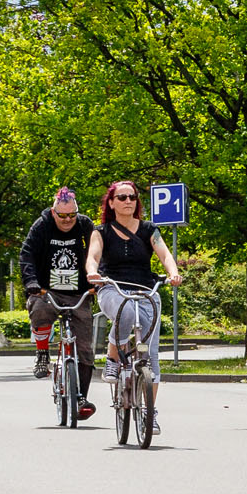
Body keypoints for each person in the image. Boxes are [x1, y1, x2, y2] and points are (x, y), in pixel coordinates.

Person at [85, 181, 183, 433]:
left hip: (145, 290)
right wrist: (93, 273)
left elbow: (164, 254)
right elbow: (93, 256)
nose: (128, 201)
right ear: (111, 202)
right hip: (112, 288)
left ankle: (150, 413)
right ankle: (113, 354)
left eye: (132, 197)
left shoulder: (150, 229)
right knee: (125, 312)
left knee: (150, 355)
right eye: (122, 197)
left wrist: (173, 273)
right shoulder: (101, 231)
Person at [20, 187, 98, 419]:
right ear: (54, 212)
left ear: (77, 213)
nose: (67, 220)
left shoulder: (85, 225)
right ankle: (42, 353)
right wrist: (31, 281)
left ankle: (81, 396)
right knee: (39, 308)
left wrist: (98, 279)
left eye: (71, 215)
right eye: (62, 215)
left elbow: (97, 252)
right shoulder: (41, 225)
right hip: (47, 289)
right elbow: (27, 255)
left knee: (85, 349)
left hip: (79, 293)